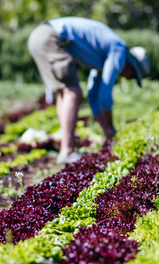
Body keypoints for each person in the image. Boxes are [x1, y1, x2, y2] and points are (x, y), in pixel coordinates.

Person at [28, 17, 149, 163]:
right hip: (52, 38)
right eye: (133, 75)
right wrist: (111, 128)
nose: (129, 78)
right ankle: (67, 151)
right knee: (73, 93)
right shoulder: (119, 50)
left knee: (63, 92)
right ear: (132, 65)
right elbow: (104, 96)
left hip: (39, 37)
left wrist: (106, 129)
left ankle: (66, 148)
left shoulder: (105, 56)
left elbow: (93, 96)